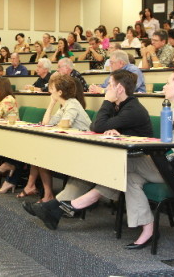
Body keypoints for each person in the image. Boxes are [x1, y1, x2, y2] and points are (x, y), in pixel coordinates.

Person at [23, 70, 154, 230]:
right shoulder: (118, 106)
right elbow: (96, 126)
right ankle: (55, 208)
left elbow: (98, 126)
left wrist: (106, 102)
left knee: (108, 171)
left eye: (110, 85)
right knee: (89, 169)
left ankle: (54, 207)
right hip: (119, 156)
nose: (107, 88)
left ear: (119, 89)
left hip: (136, 160)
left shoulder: (133, 108)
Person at [7, 75, 91, 199]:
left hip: (83, 147)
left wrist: (58, 124)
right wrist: (52, 103)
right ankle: (45, 193)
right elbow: (46, 122)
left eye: (52, 88)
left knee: (41, 156)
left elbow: (66, 124)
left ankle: (45, 193)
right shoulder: (64, 105)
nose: (50, 91)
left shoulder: (72, 103)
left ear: (60, 92)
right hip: (70, 143)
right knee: (37, 155)